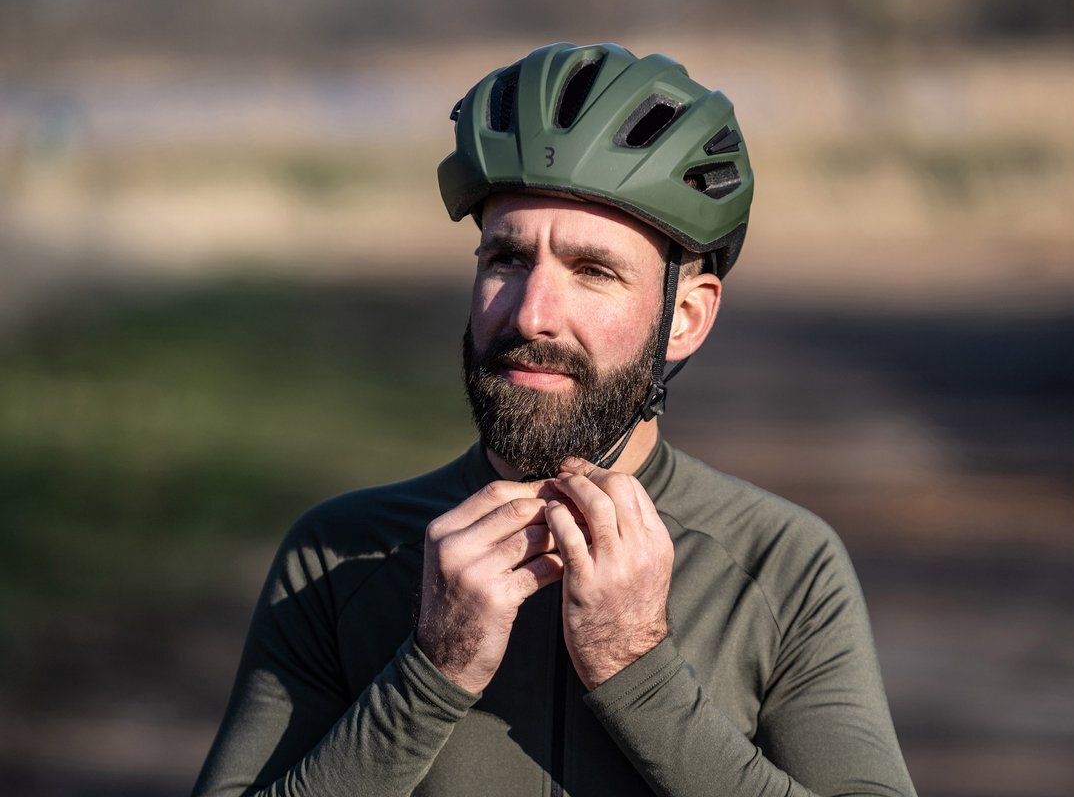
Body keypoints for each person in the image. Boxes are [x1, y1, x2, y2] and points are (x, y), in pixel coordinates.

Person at [192, 42, 916, 797]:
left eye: (594, 271)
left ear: (686, 319)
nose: (531, 314)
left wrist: (637, 669)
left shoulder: (782, 564)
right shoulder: (340, 554)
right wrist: (431, 674)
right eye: (505, 260)